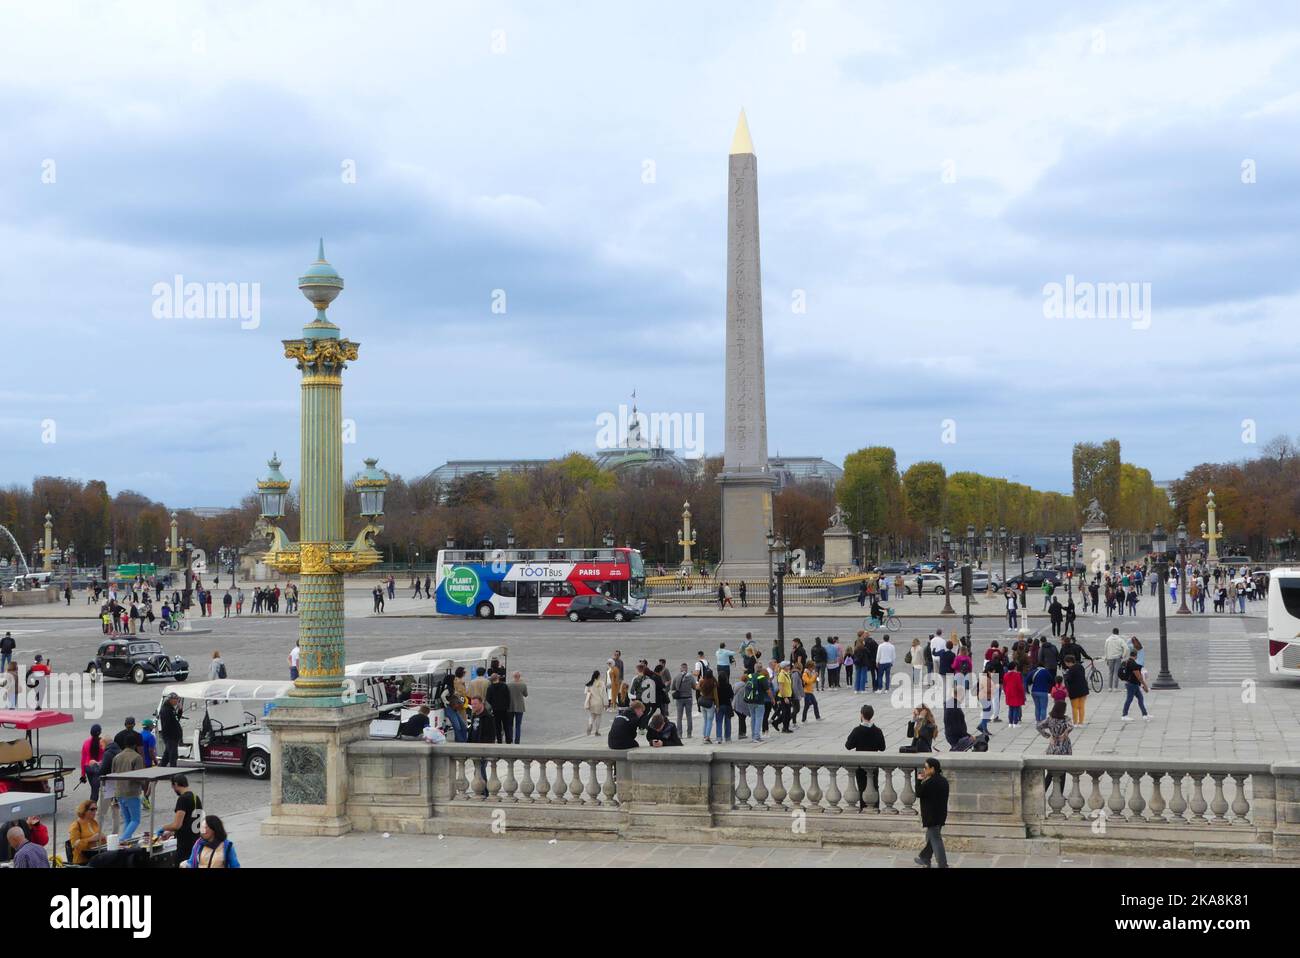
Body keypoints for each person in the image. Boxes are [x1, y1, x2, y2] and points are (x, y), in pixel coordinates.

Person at [844, 704, 885, 808]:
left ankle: (864, 807)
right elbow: (882, 747)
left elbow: (848, 746)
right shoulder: (877, 731)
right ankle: (875, 807)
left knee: (862, 787)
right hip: (873, 763)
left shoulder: (857, 730)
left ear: (861, 715)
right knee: (874, 786)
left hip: (861, 764)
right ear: (872, 715)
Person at [157, 775, 202, 866]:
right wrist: (172, 833)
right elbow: (190, 821)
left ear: (176, 784)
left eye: (173, 786)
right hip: (196, 840)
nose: (173, 789)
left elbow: (177, 825)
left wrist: (163, 828)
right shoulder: (195, 797)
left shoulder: (183, 799)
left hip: (185, 843)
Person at [914, 758, 949, 868]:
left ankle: (943, 865)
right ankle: (925, 858)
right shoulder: (944, 781)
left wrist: (919, 780)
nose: (924, 770)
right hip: (941, 815)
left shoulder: (929, 783)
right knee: (931, 839)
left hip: (931, 817)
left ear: (932, 769)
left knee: (936, 840)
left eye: (926, 768)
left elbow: (919, 793)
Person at [111, 733, 145, 841]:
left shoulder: (117, 757)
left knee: (127, 820)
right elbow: (139, 776)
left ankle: (125, 840)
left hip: (120, 792)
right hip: (132, 792)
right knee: (135, 820)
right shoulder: (137, 757)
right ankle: (122, 840)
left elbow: (113, 773)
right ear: (135, 745)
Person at [1037, 698, 1074, 796]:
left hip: (1053, 746)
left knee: (1050, 773)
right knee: (1063, 772)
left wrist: (1048, 736)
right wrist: (1065, 733)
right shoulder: (1066, 719)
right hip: (1064, 747)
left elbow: (1038, 726)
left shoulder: (1050, 719)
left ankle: (1042, 792)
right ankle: (1060, 794)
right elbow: (1071, 726)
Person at [68, 799, 106, 865]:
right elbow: (75, 845)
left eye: (96, 809)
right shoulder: (76, 825)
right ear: (84, 810)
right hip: (82, 861)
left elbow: (100, 839)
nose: (95, 812)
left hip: (96, 856)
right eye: (92, 809)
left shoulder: (94, 822)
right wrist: (91, 839)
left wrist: (104, 838)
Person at [1120, 650, 1150, 720]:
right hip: (1132, 684)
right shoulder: (1133, 664)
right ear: (1136, 656)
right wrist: (1144, 685)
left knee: (1140, 698)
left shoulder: (1127, 661)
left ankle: (1145, 715)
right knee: (1129, 699)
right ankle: (1124, 715)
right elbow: (1139, 677)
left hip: (1132, 683)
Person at [743, 667, 770, 742]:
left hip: (750, 700)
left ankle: (753, 736)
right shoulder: (762, 678)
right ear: (761, 670)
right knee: (759, 718)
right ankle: (757, 737)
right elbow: (768, 690)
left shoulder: (750, 676)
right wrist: (773, 698)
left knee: (753, 718)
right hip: (759, 701)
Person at [485, 674, 512, 744]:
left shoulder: (490, 688)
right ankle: (508, 740)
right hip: (504, 709)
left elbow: (488, 699)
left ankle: (499, 740)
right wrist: (507, 706)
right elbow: (508, 697)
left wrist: (493, 704)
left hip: (495, 709)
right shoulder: (504, 686)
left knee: (497, 726)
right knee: (506, 725)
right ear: (498, 678)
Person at [1063, 654, 1089, 726]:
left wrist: (1065, 676)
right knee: (1081, 707)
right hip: (1083, 689)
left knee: (1074, 707)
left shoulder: (1071, 670)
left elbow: (1069, 680)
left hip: (1074, 691)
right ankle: (1081, 722)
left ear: (1069, 662)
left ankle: (1075, 722)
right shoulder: (1080, 666)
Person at [671, 663, 696, 738]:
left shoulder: (677, 677)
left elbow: (673, 688)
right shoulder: (691, 677)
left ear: (681, 668)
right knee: (689, 716)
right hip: (688, 698)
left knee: (679, 717)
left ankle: (679, 734)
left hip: (679, 699)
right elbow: (694, 687)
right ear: (687, 669)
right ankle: (689, 734)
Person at [159, 692, 183, 767]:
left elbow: (176, 719)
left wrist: (180, 710)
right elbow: (167, 725)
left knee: (166, 756)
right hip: (170, 737)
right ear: (171, 700)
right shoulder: (166, 710)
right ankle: (173, 771)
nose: (177, 702)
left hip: (173, 736)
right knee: (173, 755)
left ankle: (161, 768)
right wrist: (169, 737)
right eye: (176, 700)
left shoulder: (171, 709)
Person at [697, 670, 718, 744]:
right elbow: (715, 696)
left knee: (705, 720)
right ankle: (707, 737)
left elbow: (698, 688)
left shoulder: (703, 681)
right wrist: (717, 705)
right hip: (710, 703)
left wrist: (700, 681)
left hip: (703, 702)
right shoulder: (713, 683)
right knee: (709, 721)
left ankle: (704, 736)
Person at [583, 670, 607, 735]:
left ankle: (590, 724)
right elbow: (604, 694)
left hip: (592, 702)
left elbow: (586, 692)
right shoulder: (601, 683)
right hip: (599, 702)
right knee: (599, 717)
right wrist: (606, 704)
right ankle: (597, 731)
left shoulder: (589, 684)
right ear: (598, 676)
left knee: (592, 716)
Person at [1003, 662, 1026, 727]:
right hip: (1016, 693)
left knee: (1010, 708)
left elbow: (1004, 685)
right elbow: (1020, 686)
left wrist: (1006, 692)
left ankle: (1010, 723)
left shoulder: (1005, 675)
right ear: (1014, 667)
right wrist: (1023, 694)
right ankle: (1015, 723)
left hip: (1009, 693)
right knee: (1016, 708)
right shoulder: (1017, 675)